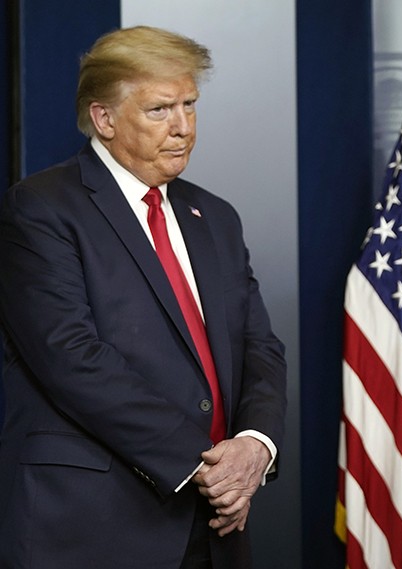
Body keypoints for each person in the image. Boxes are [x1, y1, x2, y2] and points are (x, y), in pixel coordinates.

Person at [0, 26, 287, 568]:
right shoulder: (40, 208)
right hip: (92, 527)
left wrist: (254, 445)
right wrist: (202, 464)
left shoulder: (216, 217)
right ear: (104, 119)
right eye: (160, 110)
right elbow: (70, 357)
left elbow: (260, 347)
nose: (183, 128)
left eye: (190, 105)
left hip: (216, 525)